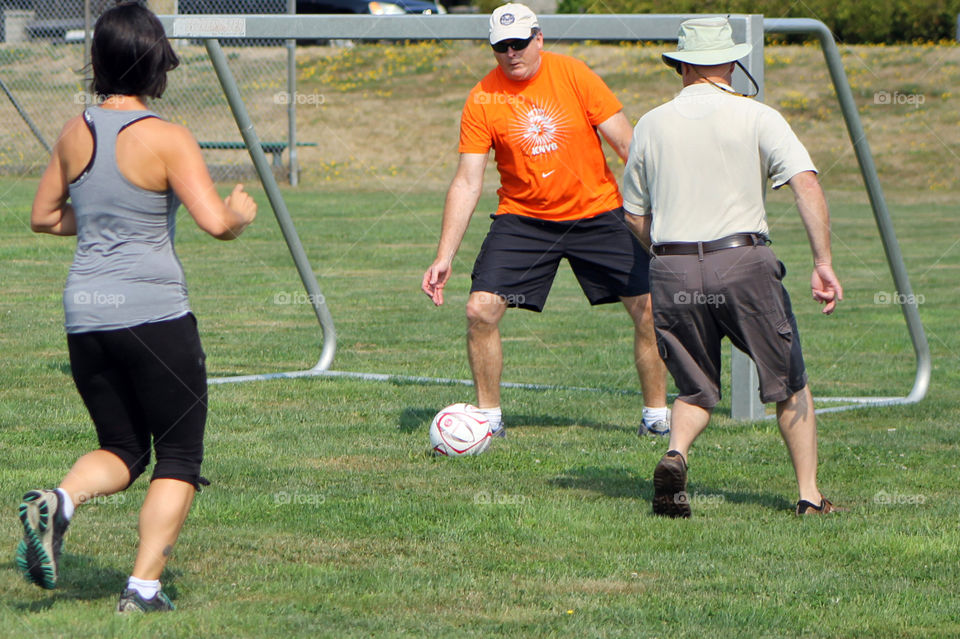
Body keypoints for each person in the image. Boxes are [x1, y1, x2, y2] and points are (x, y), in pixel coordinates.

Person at [19, 2, 256, 612]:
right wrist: (238, 213)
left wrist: (102, 216)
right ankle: (142, 590)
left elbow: (43, 216)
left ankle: (60, 501)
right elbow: (215, 224)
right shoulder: (168, 137)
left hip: (85, 317)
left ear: (97, 60)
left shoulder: (75, 130)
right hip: (155, 316)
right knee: (178, 456)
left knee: (123, 449)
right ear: (157, 64)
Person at [621, 17, 843, 518]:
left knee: (695, 387)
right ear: (732, 64)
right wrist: (823, 262)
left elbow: (633, 214)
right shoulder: (758, 115)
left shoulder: (650, 124)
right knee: (788, 381)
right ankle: (809, 496)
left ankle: (676, 455)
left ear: (681, 66)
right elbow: (806, 184)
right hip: (742, 260)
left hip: (673, 266)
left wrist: (664, 255)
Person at [421, 3, 668, 437]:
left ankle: (657, 419)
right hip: (524, 219)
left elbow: (629, 147)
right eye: (501, 46)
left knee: (650, 308)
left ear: (539, 38)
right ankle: (487, 422)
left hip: (597, 211)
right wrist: (444, 256)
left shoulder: (574, 75)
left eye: (519, 43)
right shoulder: (482, 98)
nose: (511, 53)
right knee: (480, 310)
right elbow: (467, 181)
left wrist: (657, 210)